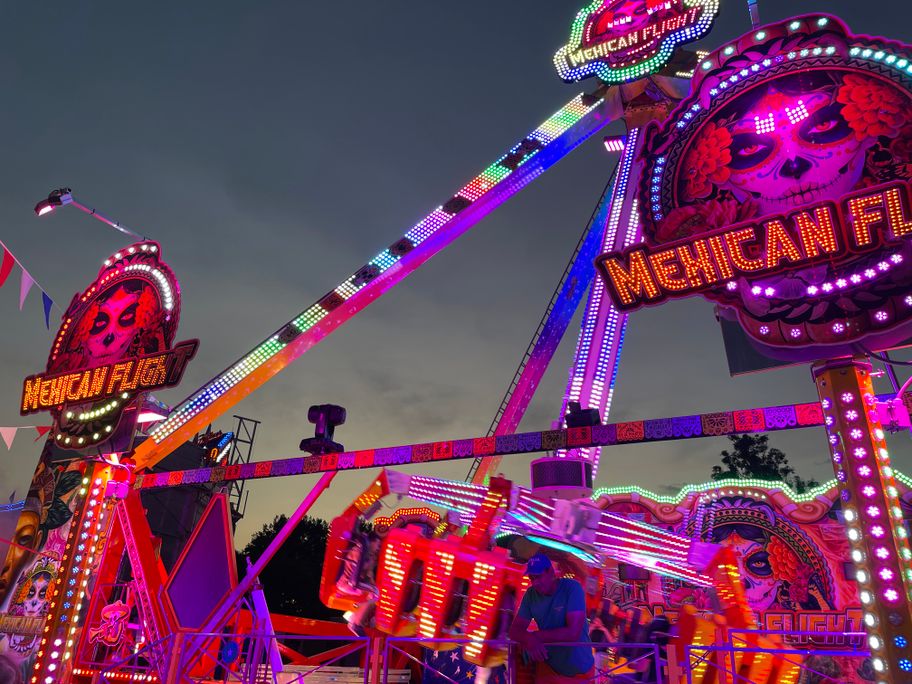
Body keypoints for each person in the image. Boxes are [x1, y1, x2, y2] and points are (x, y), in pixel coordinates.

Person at [509, 553, 594, 683]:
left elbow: (572, 633)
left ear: (550, 572)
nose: (535, 582)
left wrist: (536, 637)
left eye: (538, 577)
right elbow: (514, 631)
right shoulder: (530, 595)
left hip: (579, 669)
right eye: (532, 578)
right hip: (548, 665)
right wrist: (529, 639)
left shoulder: (572, 588)